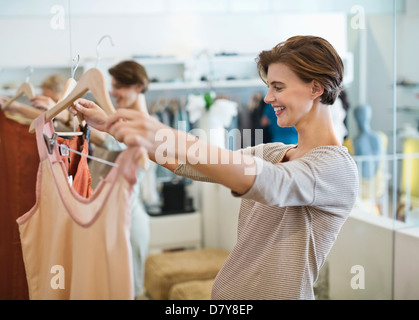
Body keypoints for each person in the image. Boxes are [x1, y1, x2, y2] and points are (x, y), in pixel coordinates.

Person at [72, 36, 359, 300]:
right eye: (269, 87)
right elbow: (186, 163)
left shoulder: (336, 167)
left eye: (278, 87)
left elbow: (272, 184)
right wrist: (113, 126)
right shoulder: (273, 152)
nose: (269, 98)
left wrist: (171, 135)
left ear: (316, 88)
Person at [86, 60, 151, 299]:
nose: (113, 93)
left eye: (119, 86)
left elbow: (114, 140)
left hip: (129, 222)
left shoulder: (146, 126)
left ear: (139, 86)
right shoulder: (114, 119)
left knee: (129, 293)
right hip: (105, 220)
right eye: (112, 86)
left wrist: (100, 123)